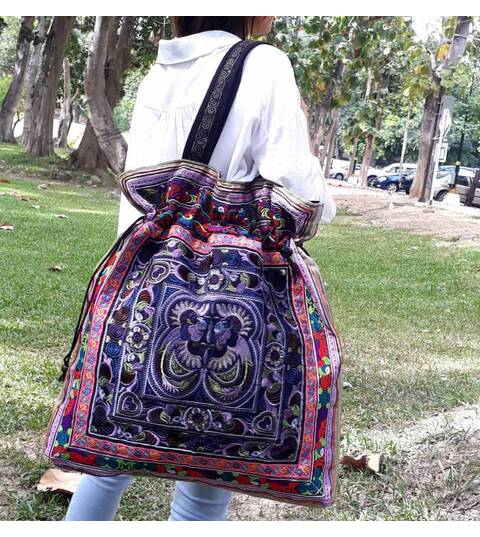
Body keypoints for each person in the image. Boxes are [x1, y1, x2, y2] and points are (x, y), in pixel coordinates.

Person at [65, 15, 336, 522]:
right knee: (205, 483)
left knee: (106, 462)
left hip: (145, 287)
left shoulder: (161, 70)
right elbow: (300, 195)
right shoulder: (265, 63)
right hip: (231, 297)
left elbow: (143, 194)